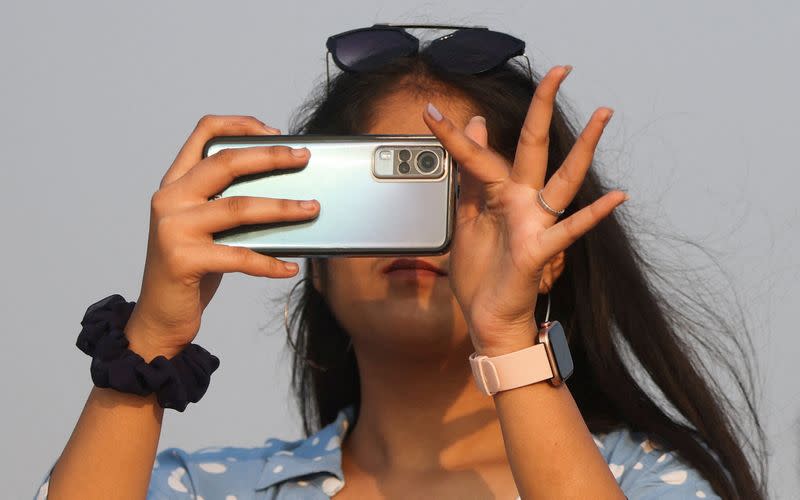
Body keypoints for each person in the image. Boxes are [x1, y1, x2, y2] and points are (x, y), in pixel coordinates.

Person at [35, 25, 767, 499]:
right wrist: (152, 342)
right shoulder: (196, 488)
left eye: (471, 194)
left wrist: (509, 341)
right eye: (387, 192)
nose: (423, 233)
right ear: (313, 257)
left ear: (548, 255)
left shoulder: (648, 481)